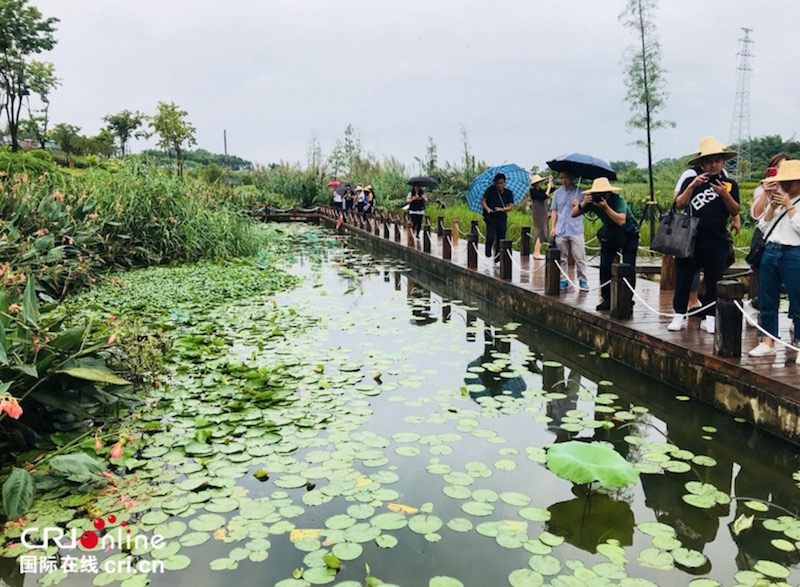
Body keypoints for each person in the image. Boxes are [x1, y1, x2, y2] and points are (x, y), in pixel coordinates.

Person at [668, 137, 740, 333]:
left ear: (723, 162)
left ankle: (710, 316)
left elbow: (735, 209)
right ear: (702, 162)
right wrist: (692, 186)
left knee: (714, 279)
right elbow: (679, 204)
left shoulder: (730, 184)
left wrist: (724, 194)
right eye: (709, 161)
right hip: (690, 239)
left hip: (716, 240)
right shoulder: (692, 179)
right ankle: (679, 315)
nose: (713, 165)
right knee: (684, 278)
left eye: (717, 160)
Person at [747, 160, 800, 361]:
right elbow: (763, 227)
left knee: (798, 300)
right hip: (771, 250)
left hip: (794, 252)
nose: (784, 185)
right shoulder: (777, 198)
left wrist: (788, 206)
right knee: (767, 299)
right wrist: (773, 206)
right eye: (782, 181)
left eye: (790, 182)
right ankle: (767, 341)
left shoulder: (793, 202)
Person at [571, 177, 639, 311]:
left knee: (628, 268)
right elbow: (573, 214)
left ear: (608, 192)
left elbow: (621, 220)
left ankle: (627, 300)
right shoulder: (592, 201)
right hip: (610, 233)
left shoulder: (617, 200)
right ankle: (607, 299)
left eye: (603, 193)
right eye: (597, 193)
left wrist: (605, 207)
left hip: (629, 233)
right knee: (605, 267)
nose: (600, 196)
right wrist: (583, 204)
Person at [745, 154, 790, 326]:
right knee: (768, 283)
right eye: (776, 167)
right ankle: (756, 306)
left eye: (784, 167)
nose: (780, 171)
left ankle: (794, 323)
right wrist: (767, 192)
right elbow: (756, 215)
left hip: (789, 238)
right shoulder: (762, 189)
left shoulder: (794, 190)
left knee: (791, 283)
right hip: (765, 238)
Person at [550, 171, 588, 289]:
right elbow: (554, 211)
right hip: (561, 229)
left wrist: (580, 204)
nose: (563, 180)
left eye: (566, 177)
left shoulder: (581, 192)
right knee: (562, 257)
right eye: (561, 178)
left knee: (579, 257)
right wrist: (553, 227)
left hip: (575, 229)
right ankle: (563, 279)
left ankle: (583, 280)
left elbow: (586, 210)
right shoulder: (557, 193)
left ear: (572, 177)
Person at [481, 173, 514, 261]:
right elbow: (483, 201)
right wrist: (487, 209)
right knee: (490, 236)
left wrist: (502, 209)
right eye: (498, 183)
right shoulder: (491, 190)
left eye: (501, 183)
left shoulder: (508, 193)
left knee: (501, 238)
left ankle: (498, 258)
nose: (499, 185)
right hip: (491, 217)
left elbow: (511, 206)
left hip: (501, 217)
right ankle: (488, 251)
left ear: (504, 182)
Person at [529, 174, 553, 259]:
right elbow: (544, 196)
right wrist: (549, 187)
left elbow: (550, 191)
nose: (541, 183)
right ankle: (536, 252)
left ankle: (537, 251)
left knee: (543, 231)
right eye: (539, 182)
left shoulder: (539, 190)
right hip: (538, 214)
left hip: (543, 213)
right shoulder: (533, 191)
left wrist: (550, 183)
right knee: (540, 231)